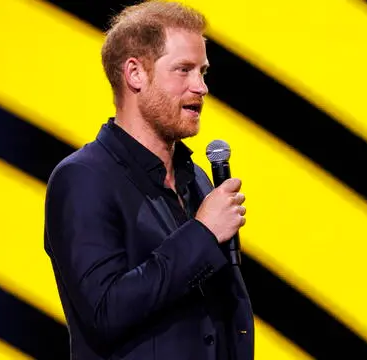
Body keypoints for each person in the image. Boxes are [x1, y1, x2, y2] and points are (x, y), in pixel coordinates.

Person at [43, 1, 254, 359]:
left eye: (202, 72)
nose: (200, 87)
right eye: (183, 70)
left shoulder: (197, 179)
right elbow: (104, 311)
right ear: (135, 74)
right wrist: (202, 235)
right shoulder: (82, 179)